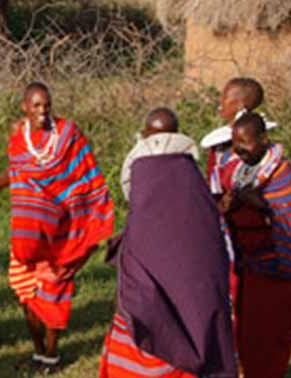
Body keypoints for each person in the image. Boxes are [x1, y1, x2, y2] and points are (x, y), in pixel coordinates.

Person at [0, 83, 114, 371]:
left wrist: (67, 201)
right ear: (25, 106)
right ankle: (38, 352)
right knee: (26, 291)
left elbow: (83, 174)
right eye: (36, 106)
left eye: (46, 105)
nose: (43, 111)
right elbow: (17, 172)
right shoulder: (20, 138)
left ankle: (52, 354)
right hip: (28, 231)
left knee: (53, 289)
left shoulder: (68, 135)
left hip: (61, 230)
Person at [100, 108, 237, 378]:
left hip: (150, 303)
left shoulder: (141, 172)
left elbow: (140, 233)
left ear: (143, 135)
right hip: (196, 300)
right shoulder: (192, 178)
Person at [212, 113, 291, 378]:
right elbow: (223, 205)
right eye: (235, 143)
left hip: (276, 272)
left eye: (245, 142)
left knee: (270, 334)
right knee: (249, 333)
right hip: (248, 269)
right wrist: (227, 206)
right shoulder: (239, 170)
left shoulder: (281, 175)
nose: (238, 149)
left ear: (264, 139)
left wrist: (263, 206)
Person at [200, 78, 276, 175]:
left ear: (240, 105)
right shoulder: (256, 133)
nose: (220, 102)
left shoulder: (239, 145)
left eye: (224, 98)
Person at [120, 108, 200, 201]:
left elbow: (127, 189)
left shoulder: (136, 155)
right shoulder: (187, 150)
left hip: (144, 212)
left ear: (146, 132)